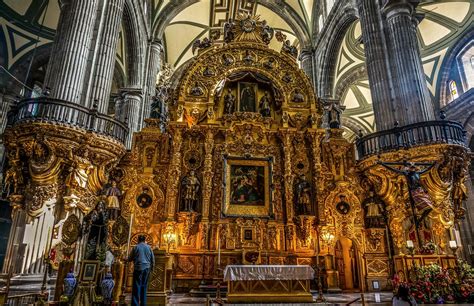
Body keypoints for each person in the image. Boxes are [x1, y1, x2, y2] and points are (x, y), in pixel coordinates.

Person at [128, 235, 155, 306]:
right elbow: (153, 259)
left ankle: (135, 304)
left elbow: (130, 258)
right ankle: (143, 303)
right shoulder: (149, 247)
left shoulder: (136, 247)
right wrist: (152, 269)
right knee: (144, 286)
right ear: (145, 240)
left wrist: (127, 258)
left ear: (138, 240)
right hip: (147, 268)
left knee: (136, 286)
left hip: (138, 268)